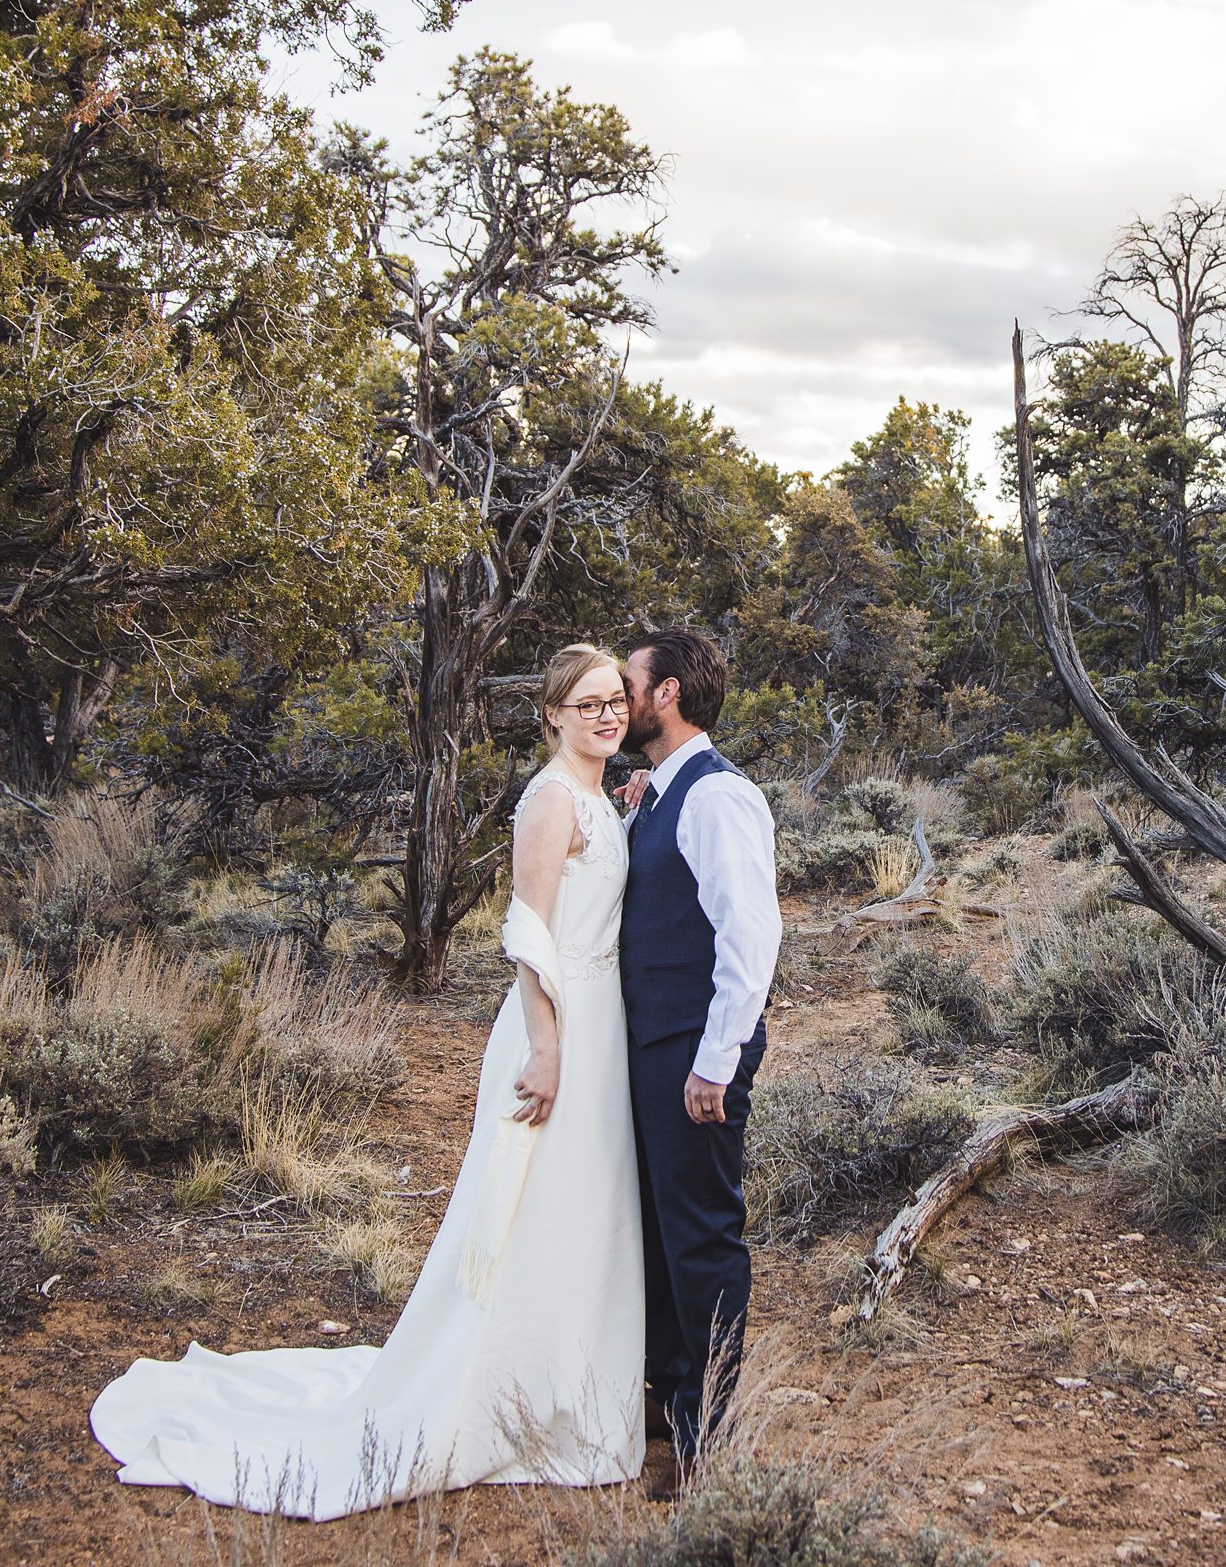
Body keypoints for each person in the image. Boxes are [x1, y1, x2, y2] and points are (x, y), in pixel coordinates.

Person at [87, 644, 644, 1519]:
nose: (606, 716)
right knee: (529, 1202)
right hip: (560, 1024)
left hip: (604, 1022)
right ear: (551, 714)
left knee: (583, 1207)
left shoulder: (605, 796)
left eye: (615, 701)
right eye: (587, 704)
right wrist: (547, 1045)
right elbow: (527, 932)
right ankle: (499, 1397)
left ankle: (571, 1394)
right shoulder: (547, 800)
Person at [616, 626, 782, 1470]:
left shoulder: (719, 797)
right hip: (655, 1045)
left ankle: (705, 1432)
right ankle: (667, 1392)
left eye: (632, 682)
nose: (621, 697)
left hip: (695, 1050)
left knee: (701, 1234)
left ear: (669, 692)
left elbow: (749, 938)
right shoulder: (658, 792)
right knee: (656, 1226)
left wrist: (717, 1060)